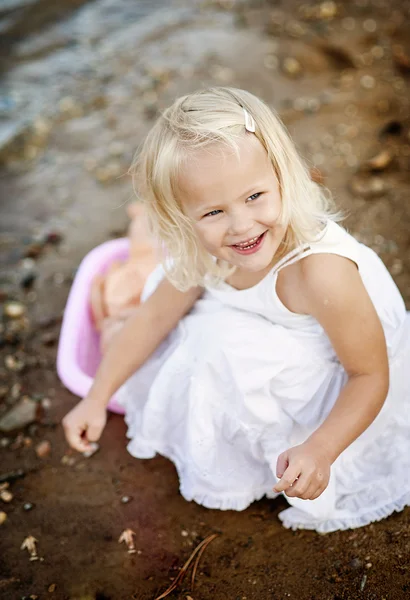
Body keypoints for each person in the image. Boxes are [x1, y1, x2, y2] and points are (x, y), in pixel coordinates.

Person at [62, 87, 410, 533]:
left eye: (254, 197)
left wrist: (320, 449)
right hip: (268, 329)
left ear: (284, 176)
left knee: (213, 347)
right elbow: (152, 318)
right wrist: (95, 396)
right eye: (212, 212)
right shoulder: (201, 250)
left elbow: (370, 375)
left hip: (341, 387)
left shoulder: (321, 271)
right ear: (183, 218)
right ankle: (138, 237)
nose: (242, 226)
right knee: (165, 312)